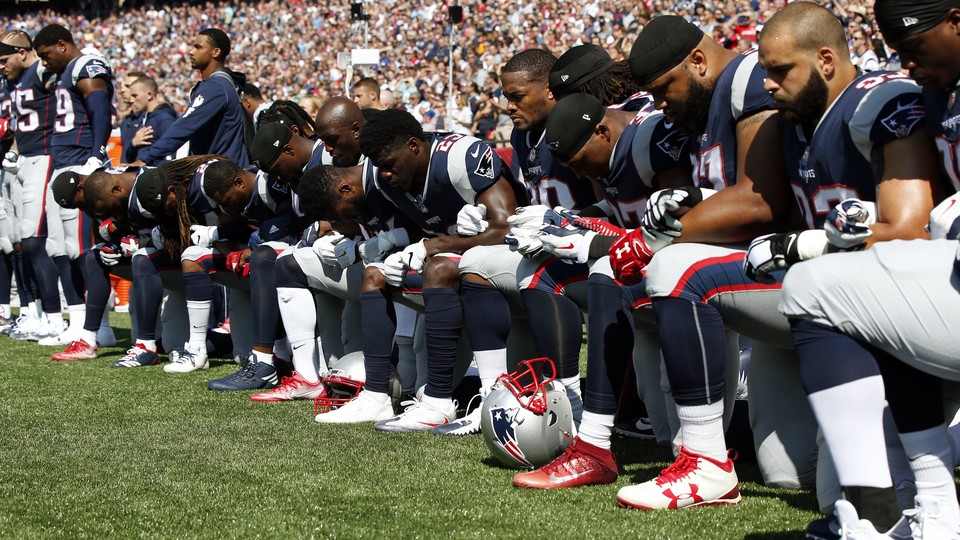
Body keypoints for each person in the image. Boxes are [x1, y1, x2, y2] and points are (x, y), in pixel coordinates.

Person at [772, 0, 960, 535]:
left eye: (914, 49)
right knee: (796, 476)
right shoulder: (939, 91)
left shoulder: (887, 101)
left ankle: (889, 511)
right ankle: (930, 505)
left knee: (826, 281)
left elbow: (910, 224)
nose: (907, 66)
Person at [603, 14, 794, 508]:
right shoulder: (706, 109)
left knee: (673, 266)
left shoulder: (749, 76)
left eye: (665, 89)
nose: (661, 105)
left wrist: (653, 238)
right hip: (767, 277)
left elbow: (759, 203)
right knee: (791, 475)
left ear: (698, 60)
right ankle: (701, 446)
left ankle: (706, 459)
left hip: (807, 268)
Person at [314, 108, 523, 430]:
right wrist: (394, 242)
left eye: (388, 164)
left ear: (413, 146)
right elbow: (421, 229)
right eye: (380, 166)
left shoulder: (460, 157)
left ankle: (438, 401)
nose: (384, 174)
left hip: (510, 258)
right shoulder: (391, 179)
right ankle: (376, 395)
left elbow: (506, 229)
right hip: (460, 259)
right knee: (374, 275)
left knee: (438, 267)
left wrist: (434, 245)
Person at [34, 23, 116, 344]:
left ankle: (101, 326)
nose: (44, 62)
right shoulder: (64, 72)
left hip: (82, 163)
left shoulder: (85, 65)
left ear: (62, 45)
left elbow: (98, 108)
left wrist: (96, 153)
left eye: (46, 55)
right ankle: (77, 317)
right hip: (62, 164)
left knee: (83, 248)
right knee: (58, 247)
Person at [0, 30, 63, 341]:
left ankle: (53, 318)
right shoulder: (15, 83)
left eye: (5, 58)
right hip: (25, 158)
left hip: (44, 157)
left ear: (23, 53)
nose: (1, 65)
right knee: (23, 243)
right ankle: (36, 312)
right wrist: (13, 150)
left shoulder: (38, 69)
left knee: (36, 241)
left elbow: (57, 69)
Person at [132, 28, 248, 166]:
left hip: (223, 175)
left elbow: (184, 127)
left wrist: (145, 159)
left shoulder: (216, 87)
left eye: (198, 47)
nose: (191, 52)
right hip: (220, 170)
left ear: (215, 52)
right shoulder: (218, 84)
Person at [124, 76, 178, 163]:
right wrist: (133, 144)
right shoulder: (146, 117)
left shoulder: (164, 119)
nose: (131, 100)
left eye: (135, 96)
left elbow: (172, 152)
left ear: (149, 95)